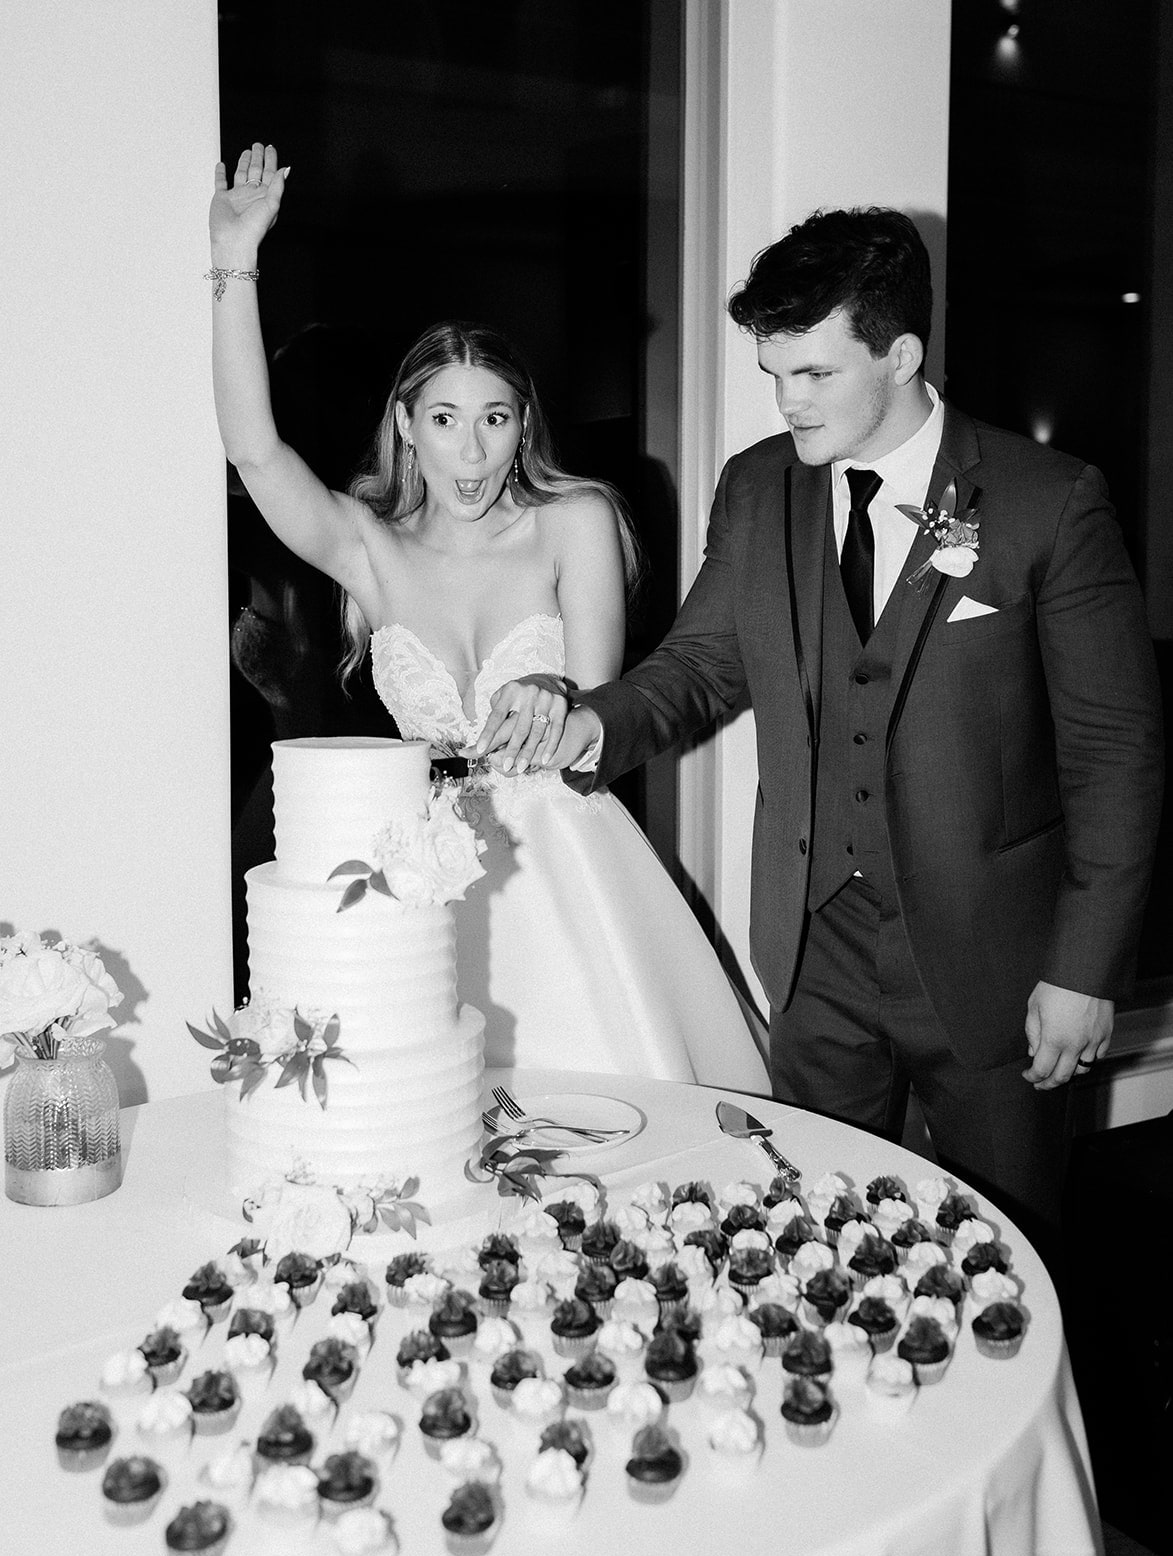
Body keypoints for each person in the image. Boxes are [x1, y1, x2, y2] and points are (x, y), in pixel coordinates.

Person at [481, 206, 1165, 1243]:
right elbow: (702, 665)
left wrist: (1084, 969)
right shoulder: (759, 489)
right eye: (774, 373)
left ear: (900, 355)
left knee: (1008, 1254)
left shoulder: (1047, 501)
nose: (787, 401)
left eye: (815, 374)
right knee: (815, 1242)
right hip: (814, 964)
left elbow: (1116, 754)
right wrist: (589, 723)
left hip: (996, 969)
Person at [207, 141, 769, 1093]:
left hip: (563, 860)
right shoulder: (368, 548)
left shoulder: (573, 521)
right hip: (421, 876)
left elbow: (603, 715)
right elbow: (257, 452)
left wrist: (559, 694)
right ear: (405, 425)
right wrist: (233, 260)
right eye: (444, 419)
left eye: (496, 418)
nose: (471, 450)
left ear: (523, 425)